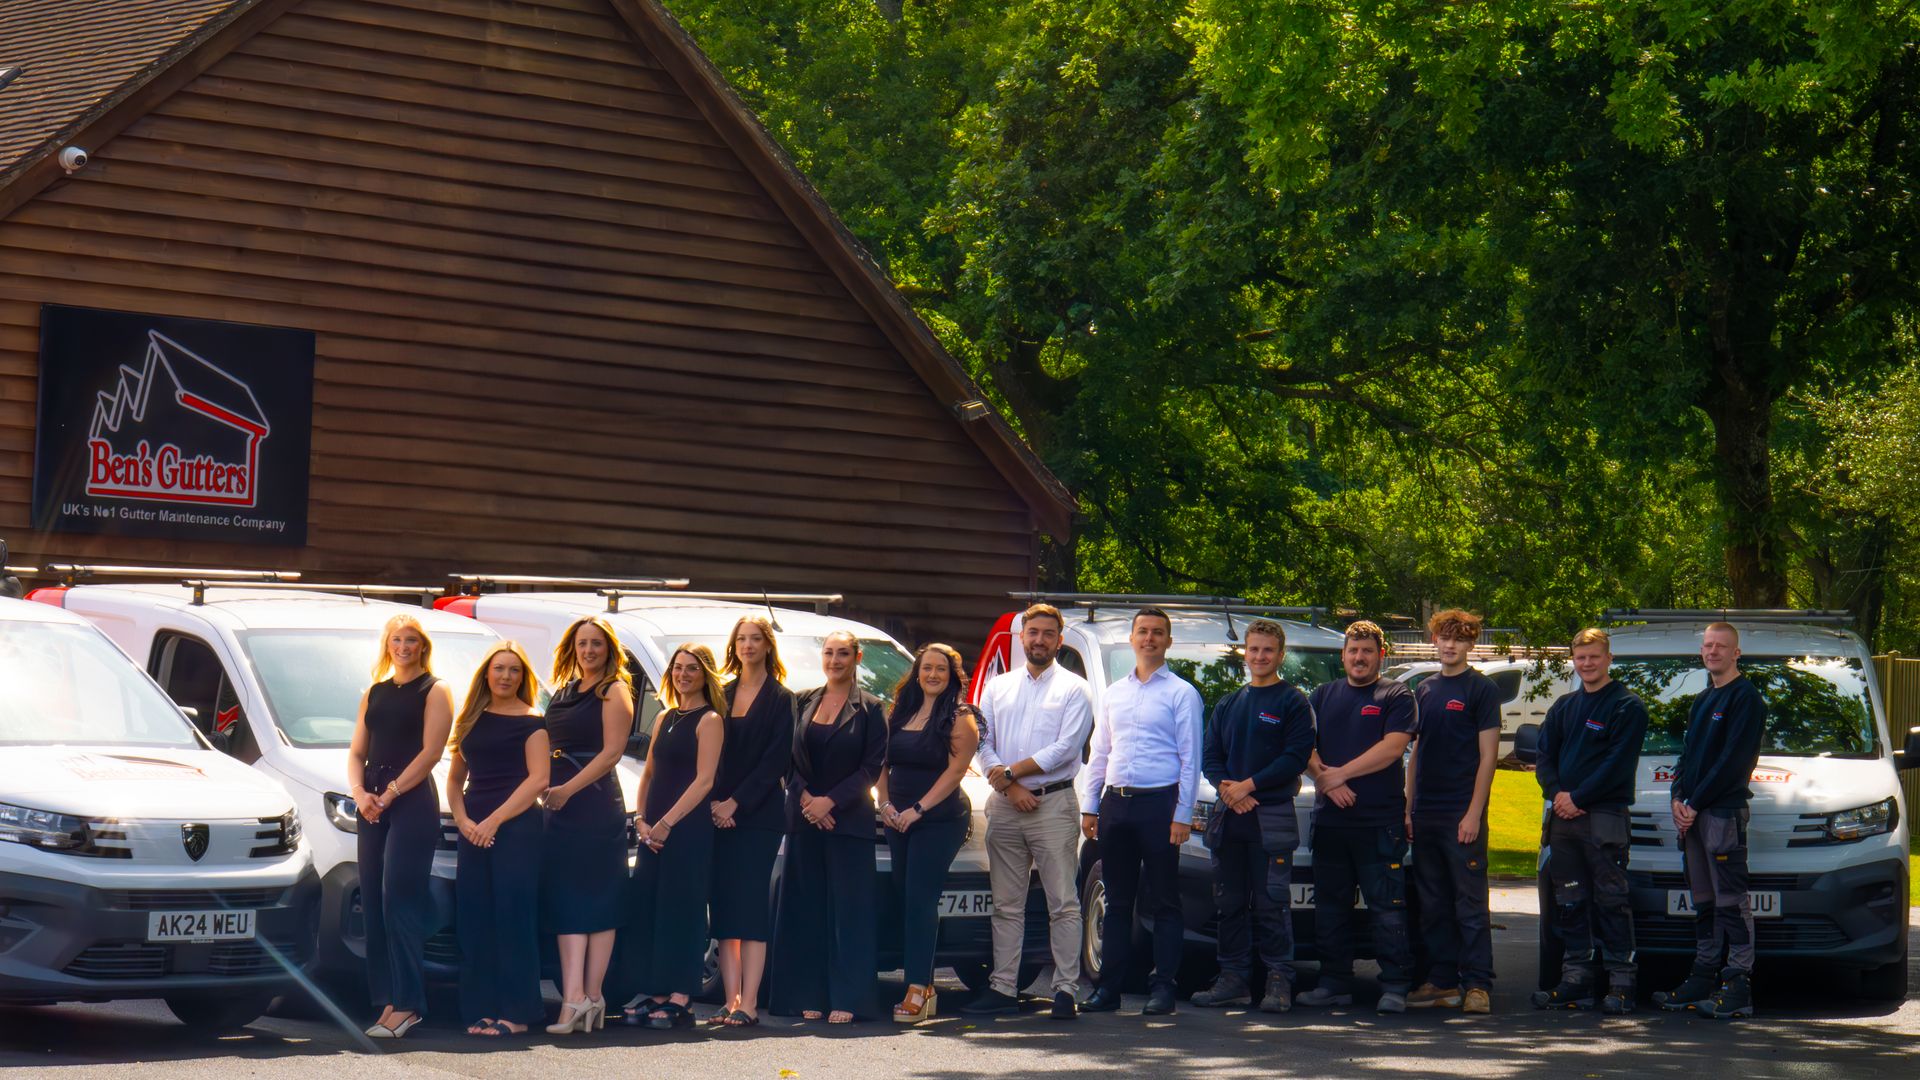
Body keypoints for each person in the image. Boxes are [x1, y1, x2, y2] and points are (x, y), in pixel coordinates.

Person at [966, 602, 1094, 1020]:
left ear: (1060, 640)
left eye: (1048, 633)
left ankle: (1065, 990)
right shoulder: (997, 687)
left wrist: (1011, 773)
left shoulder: (1075, 689)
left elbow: (1066, 749)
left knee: (1063, 902)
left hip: (1053, 804)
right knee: (1006, 904)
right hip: (1005, 806)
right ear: (1021, 637)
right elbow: (982, 741)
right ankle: (1003, 987)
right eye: (1033, 632)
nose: (1039, 640)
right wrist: (1008, 784)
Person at [1080, 606, 1203, 1017]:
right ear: (1132, 638)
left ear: (1168, 641)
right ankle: (1108, 989)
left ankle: (1163, 988)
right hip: (1116, 805)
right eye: (1143, 631)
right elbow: (1100, 752)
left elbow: (1191, 759)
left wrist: (1182, 814)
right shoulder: (1115, 693)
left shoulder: (1182, 693)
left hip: (1160, 805)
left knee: (1165, 900)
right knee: (1117, 902)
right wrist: (1090, 806)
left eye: (1157, 632)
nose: (1149, 638)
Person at [1189, 618, 1315, 1014]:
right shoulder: (1229, 703)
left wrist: (1249, 785)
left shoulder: (1293, 702)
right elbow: (1210, 756)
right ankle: (1233, 980)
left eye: (1268, 650)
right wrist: (1229, 789)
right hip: (1230, 818)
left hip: (1271, 818)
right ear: (1245, 652)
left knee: (1272, 903)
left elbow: (1294, 758)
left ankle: (1278, 980)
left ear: (1280, 654)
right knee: (1228, 902)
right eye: (1254, 649)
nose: (1260, 656)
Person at [346, 612, 456, 1039]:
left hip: (410, 799)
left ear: (422, 646)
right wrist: (360, 793)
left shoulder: (435, 689)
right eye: (397, 639)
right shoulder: (374, 692)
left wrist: (390, 793)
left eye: (411, 640)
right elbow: (357, 752)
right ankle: (387, 1001)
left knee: (399, 901)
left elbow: (431, 753)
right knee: (374, 902)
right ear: (387, 645)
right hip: (371, 800)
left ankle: (409, 1004)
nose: (404, 647)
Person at [1299, 619, 1418, 1013]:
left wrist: (1340, 775)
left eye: (1367, 651)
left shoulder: (1396, 695)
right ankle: (1334, 983)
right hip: (1330, 823)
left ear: (1381, 655)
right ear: (1343, 655)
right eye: (1353, 651)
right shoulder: (1323, 695)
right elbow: (1304, 747)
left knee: (1387, 908)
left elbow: (1392, 748)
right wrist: (1327, 782)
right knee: (1330, 909)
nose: (1359, 657)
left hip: (1378, 823)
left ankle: (1395, 985)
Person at [769, 631, 887, 1023]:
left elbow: (871, 768)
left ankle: (849, 998)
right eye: (829, 653)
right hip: (803, 820)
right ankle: (807, 993)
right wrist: (807, 800)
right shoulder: (803, 700)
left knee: (849, 914)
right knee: (806, 910)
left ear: (857, 657)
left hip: (848, 822)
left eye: (843, 654)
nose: (835, 661)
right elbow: (786, 759)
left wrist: (829, 802)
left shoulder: (872, 709)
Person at [1531, 627, 1648, 1014]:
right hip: (1563, 821)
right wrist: (1557, 794)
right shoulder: (1564, 706)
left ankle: (1621, 985)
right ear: (1574, 660)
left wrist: (1578, 798)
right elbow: (1544, 756)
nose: (1587, 663)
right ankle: (1576, 981)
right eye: (1581, 657)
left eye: (1594, 656)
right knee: (1570, 901)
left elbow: (1617, 765)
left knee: (1612, 902)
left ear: (1609, 658)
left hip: (1604, 819)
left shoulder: (1626, 707)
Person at [1655, 621, 1766, 1020]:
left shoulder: (1746, 699)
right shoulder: (1703, 700)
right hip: (1695, 815)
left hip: (1722, 813)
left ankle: (1738, 984)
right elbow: (1687, 757)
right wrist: (1677, 798)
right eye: (1707, 645)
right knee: (1703, 900)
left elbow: (1733, 762)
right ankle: (1703, 976)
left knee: (1731, 901)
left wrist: (1694, 803)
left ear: (1737, 653)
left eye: (1721, 646)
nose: (1713, 651)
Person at [447, 641, 550, 1036]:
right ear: (486, 675)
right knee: (475, 918)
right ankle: (483, 1008)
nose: (506, 676)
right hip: (473, 829)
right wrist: (463, 821)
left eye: (514, 670)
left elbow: (538, 780)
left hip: (517, 829)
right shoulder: (471, 718)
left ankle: (517, 1014)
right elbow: (454, 780)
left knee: (513, 918)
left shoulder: (533, 721)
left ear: (523, 677)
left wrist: (493, 821)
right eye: (499, 668)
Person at [541, 616, 636, 1035]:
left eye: (596, 643)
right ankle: (577, 995)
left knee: (599, 902)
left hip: (595, 804)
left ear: (609, 649)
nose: (589, 650)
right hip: (558, 806)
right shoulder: (564, 690)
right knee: (566, 901)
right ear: (572, 648)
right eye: (582, 643)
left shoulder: (614, 690)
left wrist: (568, 790)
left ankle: (589, 996)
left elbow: (612, 753)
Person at [623, 644, 726, 1030]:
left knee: (682, 909)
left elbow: (705, 780)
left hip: (687, 829)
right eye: (678, 668)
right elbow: (649, 773)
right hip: (652, 830)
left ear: (705, 674)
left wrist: (667, 822)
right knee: (651, 907)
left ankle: (681, 996)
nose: (684, 675)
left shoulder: (710, 720)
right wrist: (642, 819)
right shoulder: (665, 716)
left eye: (692, 668)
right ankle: (657, 991)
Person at [878, 643, 981, 1024]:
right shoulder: (900, 711)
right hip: (898, 818)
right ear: (917, 673)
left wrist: (918, 810)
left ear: (952, 676)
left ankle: (917, 989)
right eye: (927, 668)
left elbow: (955, 772)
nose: (933, 674)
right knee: (906, 896)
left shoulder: (960, 717)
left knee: (921, 899)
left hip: (939, 819)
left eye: (941, 669)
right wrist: (885, 804)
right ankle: (927, 986)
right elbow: (881, 761)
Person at [1405, 610, 1502, 1014]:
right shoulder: (1424, 689)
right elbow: (1415, 753)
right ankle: (1443, 982)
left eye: (1459, 639)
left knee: (1470, 903)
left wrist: (1473, 813)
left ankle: (1477, 984)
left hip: (1461, 813)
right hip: (1425, 812)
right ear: (1434, 640)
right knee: (1432, 903)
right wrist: (1408, 807)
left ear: (1470, 644)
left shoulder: (1482, 689)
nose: (1450, 645)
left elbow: (1488, 757)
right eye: (1444, 638)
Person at [708, 615, 797, 1028]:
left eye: (755, 639)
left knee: (751, 908)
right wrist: (716, 803)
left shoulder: (782, 698)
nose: (747, 645)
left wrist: (736, 803)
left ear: (767, 645)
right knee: (725, 908)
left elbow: (775, 761)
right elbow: (710, 754)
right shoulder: (720, 693)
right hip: (717, 813)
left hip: (759, 816)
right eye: (741, 639)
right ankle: (729, 1001)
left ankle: (750, 1002)